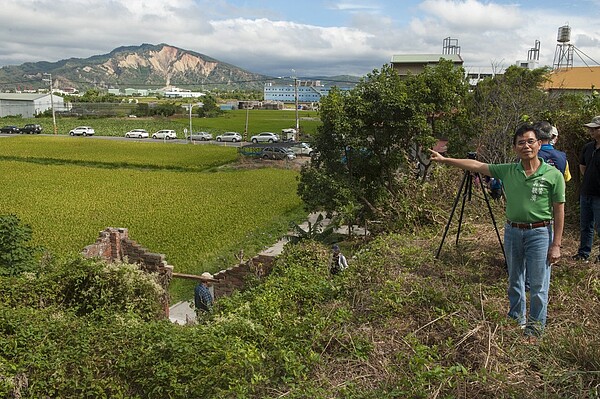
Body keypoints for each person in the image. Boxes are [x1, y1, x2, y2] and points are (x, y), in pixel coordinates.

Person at [430, 123, 565, 338]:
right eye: (521, 143)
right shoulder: (508, 170)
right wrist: (446, 160)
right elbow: (476, 165)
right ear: (515, 148)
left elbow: (559, 211)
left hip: (540, 233)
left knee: (539, 284)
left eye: (530, 141)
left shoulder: (553, 175)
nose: (526, 146)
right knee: (515, 279)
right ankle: (515, 321)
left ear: (540, 144)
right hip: (513, 231)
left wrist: (556, 244)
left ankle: (535, 329)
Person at [573, 116, 600, 263]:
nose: (591, 131)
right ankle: (583, 253)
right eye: (591, 128)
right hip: (586, 192)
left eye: (595, 128)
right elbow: (582, 167)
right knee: (586, 225)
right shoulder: (588, 147)